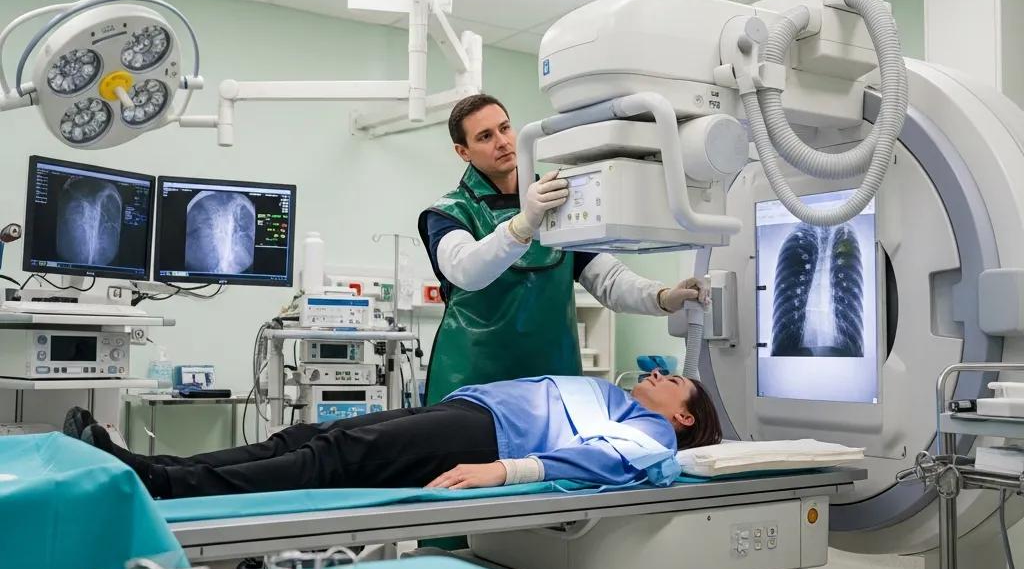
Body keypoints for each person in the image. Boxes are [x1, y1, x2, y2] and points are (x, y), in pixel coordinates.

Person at [417, 93, 710, 403]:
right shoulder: (449, 213)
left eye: (505, 128)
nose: (502, 141)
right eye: (485, 136)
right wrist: (523, 224)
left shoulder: (557, 200)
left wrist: (663, 297)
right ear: (463, 151)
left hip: (553, 386)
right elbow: (467, 271)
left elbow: (608, 280)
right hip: (474, 384)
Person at [64, 372, 722, 500]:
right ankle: (153, 468)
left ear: (685, 416)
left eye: (673, 381)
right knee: (301, 437)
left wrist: (507, 471)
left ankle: (164, 485)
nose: (657, 374)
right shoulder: (616, 398)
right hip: (470, 414)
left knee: (333, 459)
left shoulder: (652, 439)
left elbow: (610, 462)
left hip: (487, 439)